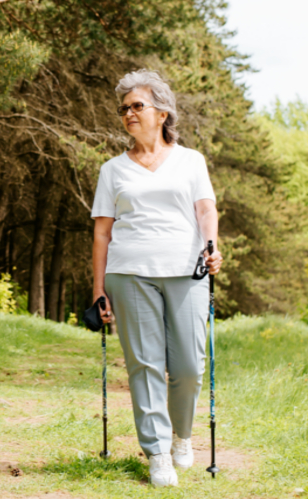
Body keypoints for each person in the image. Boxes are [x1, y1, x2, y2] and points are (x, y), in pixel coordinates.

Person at [91, 70, 223, 487]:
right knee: (144, 365)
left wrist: (212, 244)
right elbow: (102, 231)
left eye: (137, 106)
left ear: (162, 112)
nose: (129, 113)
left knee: (188, 365)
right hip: (128, 272)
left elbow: (205, 209)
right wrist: (98, 288)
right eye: (124, 108)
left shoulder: (191, 160)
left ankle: (182, 435)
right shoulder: (113, 169)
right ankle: (157, 453)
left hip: (186, 270)